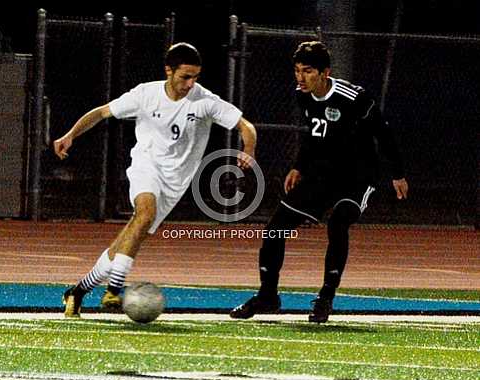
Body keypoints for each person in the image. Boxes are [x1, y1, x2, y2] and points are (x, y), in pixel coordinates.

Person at [54, 42, 257, 318]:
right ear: (168, 71)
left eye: (195, 76)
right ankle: (114, 289)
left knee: (129, 237)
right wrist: (70, 135)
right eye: (185, 76)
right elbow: (101, 112)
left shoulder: (205, 100)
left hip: (175, 183)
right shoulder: (145, 94)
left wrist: (249, 150)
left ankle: (78, 291)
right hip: (146, 166)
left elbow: (245, 127)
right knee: (145, 212)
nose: (191, 83)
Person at [230, 41, 408, 323]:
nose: (300, 77)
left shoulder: (353, 98)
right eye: (297, 70)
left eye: (308, 71)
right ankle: (267, 296)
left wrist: (397, 173)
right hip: (322, 175)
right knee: (275, 228)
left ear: (325, 73)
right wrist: (299, 167)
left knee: (338, 222)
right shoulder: (304, 95)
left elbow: (383, 133)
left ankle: (325, 297)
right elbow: (312, 135)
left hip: (358, 177)